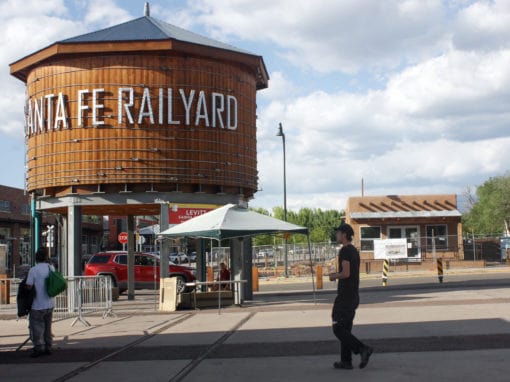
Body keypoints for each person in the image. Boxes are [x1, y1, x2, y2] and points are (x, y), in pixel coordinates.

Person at [329, 223, 373, 370]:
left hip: (345, 297)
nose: (336, 235)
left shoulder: (345, 251)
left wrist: (334, 276)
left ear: (344, 235)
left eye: (338, 233)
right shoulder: (354, 250)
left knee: (337, 328)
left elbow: (346, 273)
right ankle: (346, 361)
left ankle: (362, 349)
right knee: (345, 329)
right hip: (353, 295)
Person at [26, 247, 55, 358]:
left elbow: (29, 286)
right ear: (46, 258)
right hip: (50, 303)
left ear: (36, 258)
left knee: (37, 326)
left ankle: (39, 347)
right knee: (48, 326)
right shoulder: (50, 267)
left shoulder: (34, 270)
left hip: (38, 304)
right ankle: (48, 346)